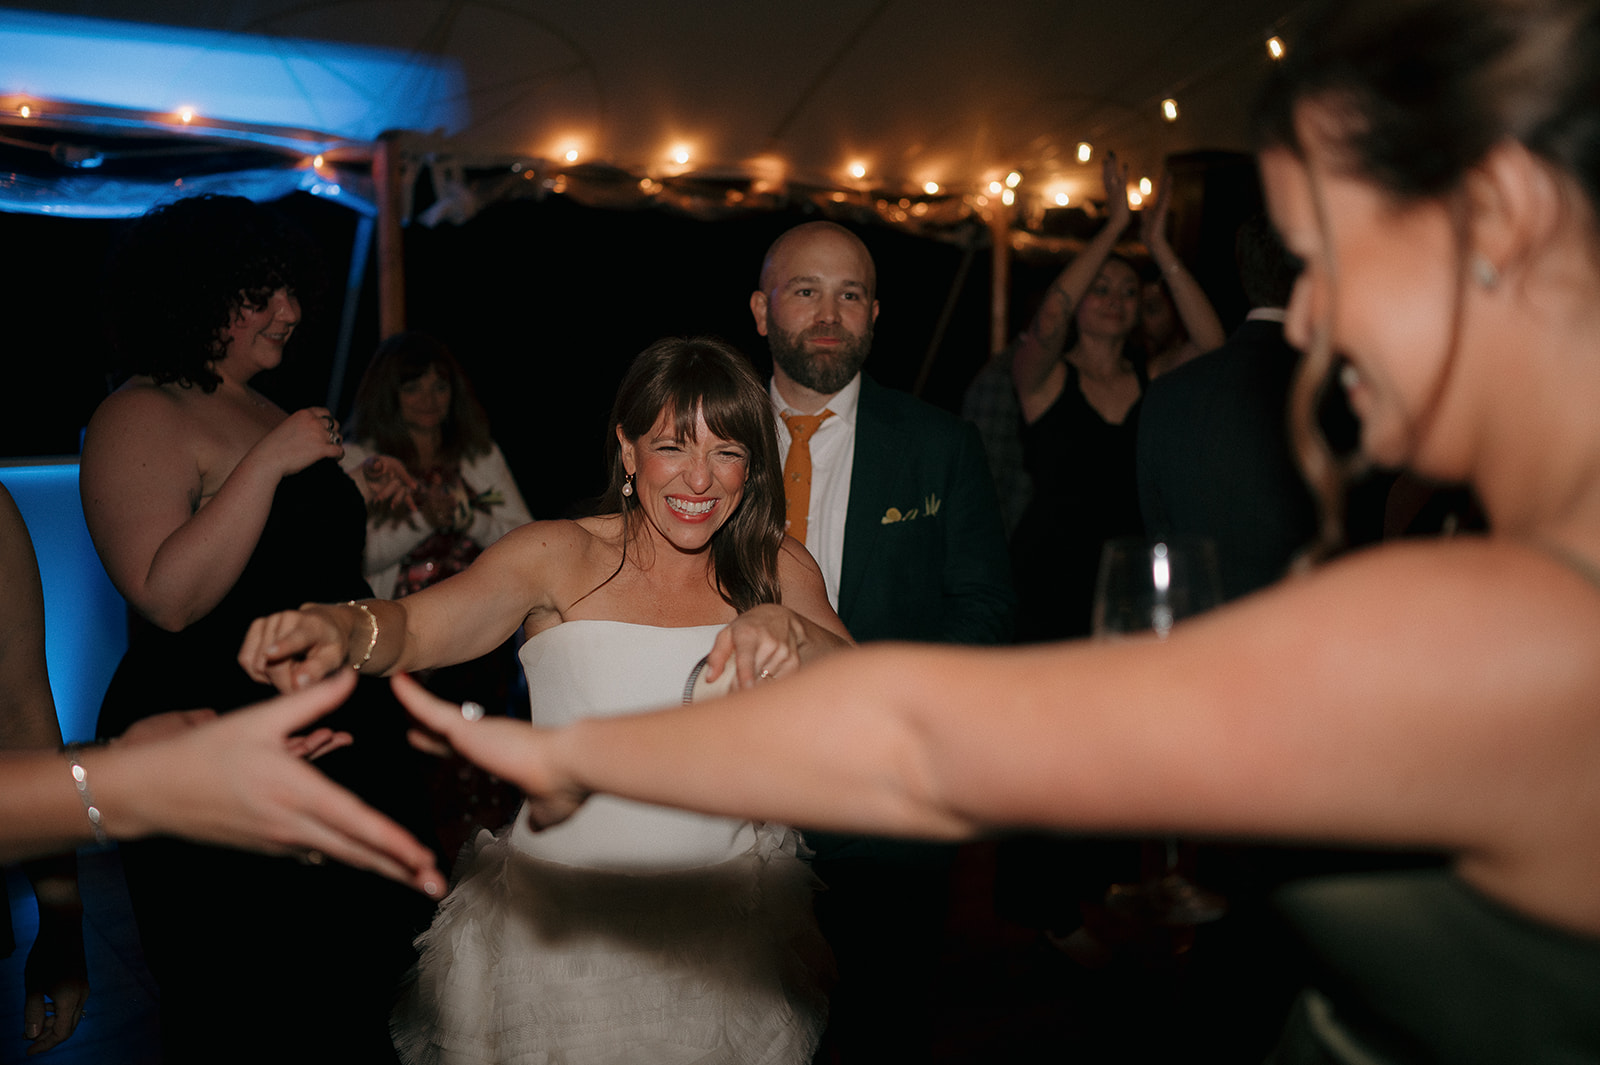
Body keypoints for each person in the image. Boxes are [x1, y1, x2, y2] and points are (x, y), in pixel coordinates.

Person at [390, 0, 1600, 1059]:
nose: (1308, 314)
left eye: (1330, 255)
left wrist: (597, 756)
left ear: (1501, 218)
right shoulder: (1482, 587)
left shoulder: (1504, 619)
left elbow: (941, 738)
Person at [242, 337, 851, 1065]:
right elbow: (412, 630)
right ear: (628, 450)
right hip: (564, 942)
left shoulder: (775, 565)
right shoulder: (556, 555)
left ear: (751, 466)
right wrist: (340, 626)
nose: (699, 477)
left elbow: (867, 694)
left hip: (729, 943)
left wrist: (794, 632)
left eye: (727, 452)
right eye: (671, 446)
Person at [79, 194, 440, 1064]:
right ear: (197, 296)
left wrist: (361, 494)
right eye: (262, 293)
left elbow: (301, 565)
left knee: (354, 994)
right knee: (252, 1004)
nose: (290, 310)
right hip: (221, 737)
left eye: (292, 290)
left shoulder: (262, 405)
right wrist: (273, 461)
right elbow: (168, 595)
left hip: (336, 726)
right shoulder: (141, 411)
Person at [749, 219, 1014, 1058]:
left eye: (851, 295)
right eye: (806, 291)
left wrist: (887, 706)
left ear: (874, 314)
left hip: (884, 805)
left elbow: (985, 610)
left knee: (877, 1027)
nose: (829, 315)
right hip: (725, 793)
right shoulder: (702, 441)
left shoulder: (939, 445)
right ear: (761, 310)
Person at [1008, 154, 1223, 643]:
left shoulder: (1155, 377)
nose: (1115, 300)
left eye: (1128, 292)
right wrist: (1113, 228)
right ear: (1080, 300)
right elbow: (1049, 319)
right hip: (1049, 577)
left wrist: (1159, 246)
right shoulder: (1044, 378)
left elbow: (1213, 346)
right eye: (1100, 288)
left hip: (1130, 573)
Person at [1138, 212, 1318, 603]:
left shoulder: (1168, 393)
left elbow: (1159, 534)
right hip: (1314, 623)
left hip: (1197, 624)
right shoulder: (1335, 387)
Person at [342, 331, 532, 602]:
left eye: (440, 387)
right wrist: (424, 520)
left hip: (482, 607)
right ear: (387, 395)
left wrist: (470, 519)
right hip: (398, 612)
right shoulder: (362, 461)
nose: (429, 400)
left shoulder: (479, 454)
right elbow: (354, 556)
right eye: (413, 389)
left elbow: (527, 540)